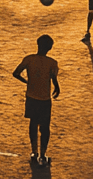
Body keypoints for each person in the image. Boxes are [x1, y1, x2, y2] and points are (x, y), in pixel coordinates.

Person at [13, 35, 60, 166]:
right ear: (50, 48)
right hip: (45, 99)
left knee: (33, 124)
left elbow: (16, 73)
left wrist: (27, 82)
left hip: (31, 96)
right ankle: (43, 154)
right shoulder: (52, 63)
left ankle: (34, 152)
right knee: (45, 128)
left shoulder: (29, 59)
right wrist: (57, 87)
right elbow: (54, 81)